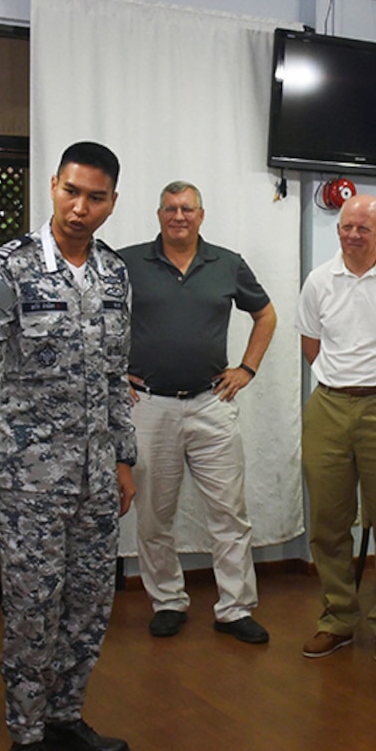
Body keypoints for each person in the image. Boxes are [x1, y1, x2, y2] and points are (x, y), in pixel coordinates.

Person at [0, 141, 137, 751]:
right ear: (52, 186)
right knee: (33, 609)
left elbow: (116, 376)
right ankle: (25, 737)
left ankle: (63, 718)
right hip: (31, 479)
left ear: (112, 200)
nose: (80, 208)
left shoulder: (114, 275)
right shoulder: (16, 265)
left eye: (96, 197)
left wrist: (123, 455)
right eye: (70, 192)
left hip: (93, 478)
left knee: (88, 606)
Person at [118, 182, 277, 644]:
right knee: (152, 516)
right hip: (149, 407)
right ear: (158, 214)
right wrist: (114, 372)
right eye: (170, 208)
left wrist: (247, 368)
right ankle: (167, 601)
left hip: (211, 404)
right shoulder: (128, 262)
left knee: (230, 513)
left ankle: (235, 607)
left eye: (187, 208)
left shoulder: (226, 263)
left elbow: (266, 315)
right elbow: (99, 315)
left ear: (201, 215)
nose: (179, 216)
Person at [297, 194, 376, 664]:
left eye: (363, 229)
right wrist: (340, 380)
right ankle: (338, 618)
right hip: (329, 404)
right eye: (346, 227)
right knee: (328, 519)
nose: (352, 236)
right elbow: (312, 343)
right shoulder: (319, 281)